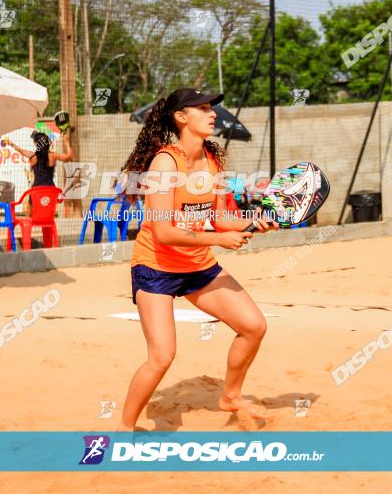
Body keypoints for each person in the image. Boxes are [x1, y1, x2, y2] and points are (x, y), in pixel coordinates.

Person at [116, 88, 277, 432]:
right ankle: (126, 426)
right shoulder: (164, 163)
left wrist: (254, 221)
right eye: (203, 108)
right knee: (162, 356)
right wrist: (221, 239)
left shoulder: (213, 160)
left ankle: (230, 396)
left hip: (198, 266)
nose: (212, 112)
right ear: (181, 117)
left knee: (253, 326)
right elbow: (164, 233)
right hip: (155, 268)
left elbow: (221, 218)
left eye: (212, 107)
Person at [2, 129, 73, 187]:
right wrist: (67, 144)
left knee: (30, 204)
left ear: (35, 143)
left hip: (37, 190)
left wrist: (11, 143)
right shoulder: (53, 156)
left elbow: (21, 150)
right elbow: (69, 157)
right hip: (50, 188)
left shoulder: (32, 157)